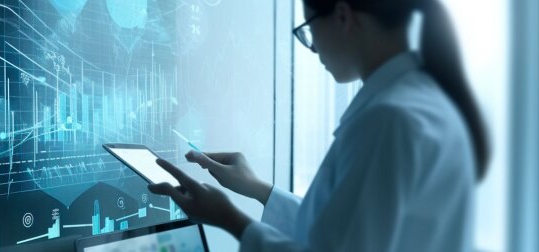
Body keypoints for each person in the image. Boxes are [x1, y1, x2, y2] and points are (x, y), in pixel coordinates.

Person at [148, 0, 490, 251]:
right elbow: (343, 231)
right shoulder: (419, 103)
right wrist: (258, 189)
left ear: (342, 15)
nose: (312, 47)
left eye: (308, 28)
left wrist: (229, 219)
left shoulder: (389, 120)